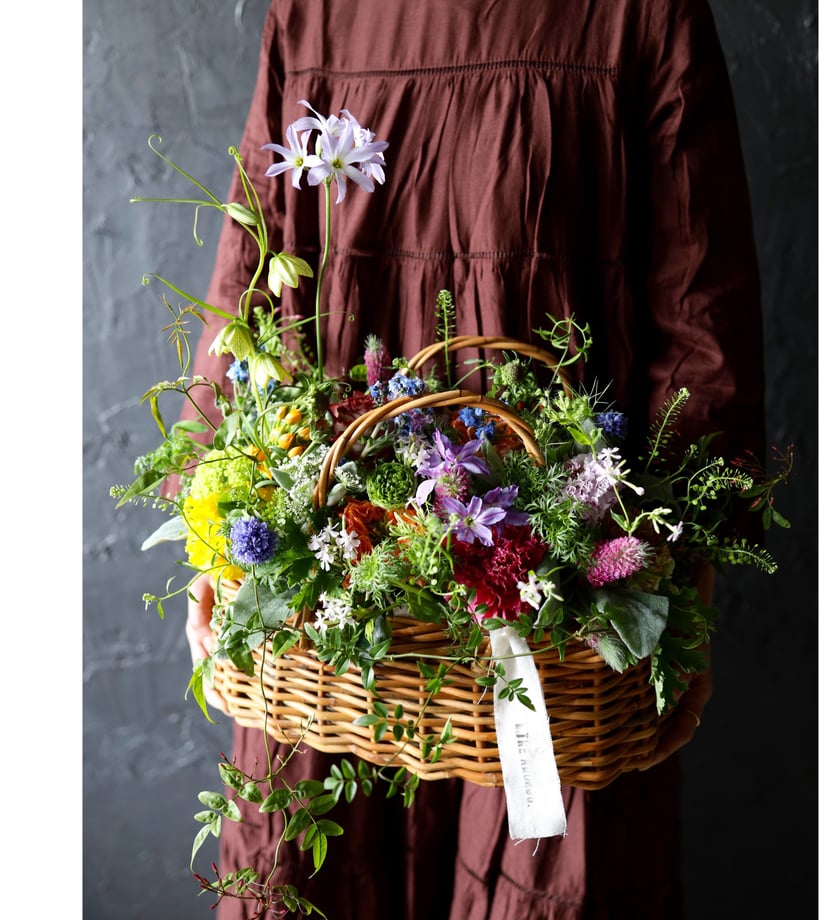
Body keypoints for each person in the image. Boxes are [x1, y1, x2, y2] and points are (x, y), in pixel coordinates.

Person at [182, 1, 765, 917]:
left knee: (499, 845)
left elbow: (243, 285)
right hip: (363, 588)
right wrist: (683, 562)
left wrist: (211, 526)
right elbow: (702, 322)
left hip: (542, 593)